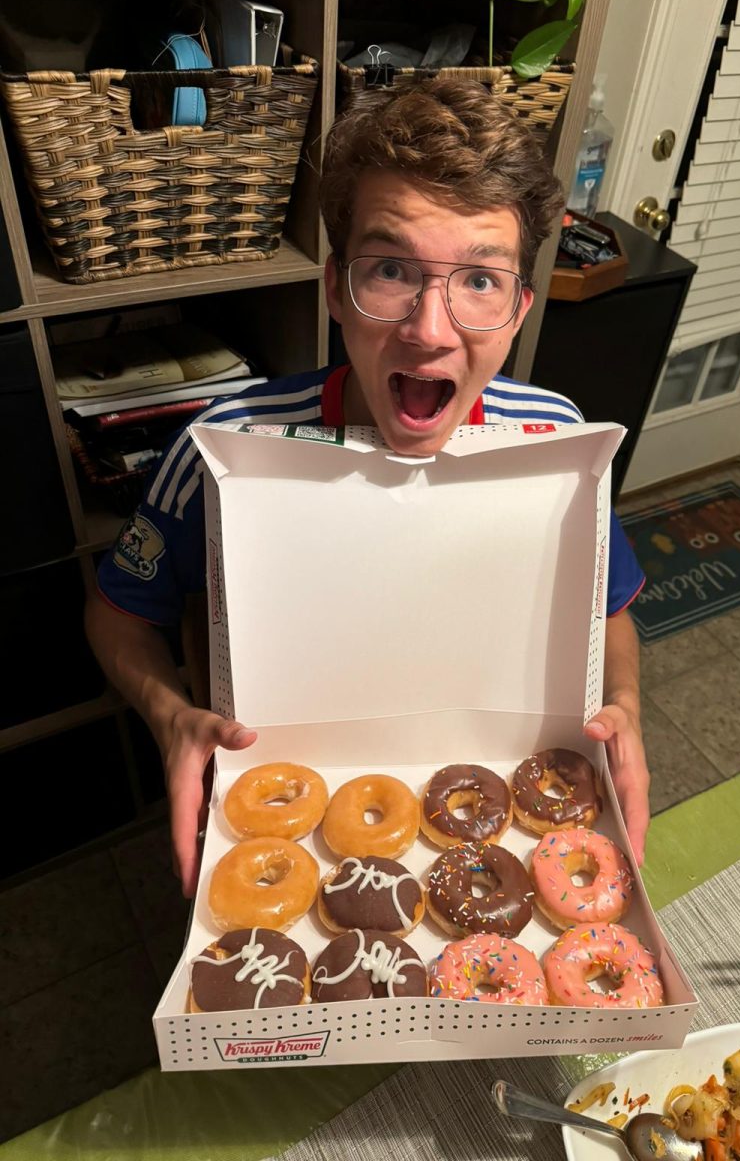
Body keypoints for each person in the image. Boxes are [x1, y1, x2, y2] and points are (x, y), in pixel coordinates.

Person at [85, 78, 648, 899]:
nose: (429, 329)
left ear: (521, 307)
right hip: (278, 824)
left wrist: (624, 703)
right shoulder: (224, 449)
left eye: (481, 281)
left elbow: (612, 610)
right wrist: (172, 717)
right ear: (335, 287)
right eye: (391, 271)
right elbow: (118, 614)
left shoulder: (557, 442)